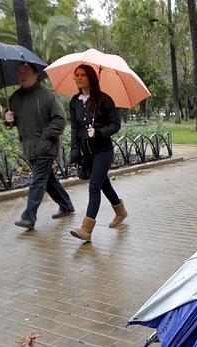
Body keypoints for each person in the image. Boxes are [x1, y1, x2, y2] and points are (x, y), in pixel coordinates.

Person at [4, 63, 75, 230]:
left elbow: (60, 119)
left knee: (37, 182)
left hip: (45, 147)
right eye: (19, 72)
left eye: (26, 72)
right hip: (29, 148)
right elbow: (11, 123)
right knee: (48, 180)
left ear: (36, 75)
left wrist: (44, 136)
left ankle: (28, 216)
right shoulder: (14, 98)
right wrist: (8, 120)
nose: (22, 75)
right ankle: (66, 206)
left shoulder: (47, 95)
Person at [68, 64, 127, 241]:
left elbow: (115, 124)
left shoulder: (104, 100)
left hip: (103, 150)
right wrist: (75, 151)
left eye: (82, 75)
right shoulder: (74, 102)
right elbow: (74, 128)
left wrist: (99, 132)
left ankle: (86, 229)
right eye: (76, 75)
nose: (78, 78)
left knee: (94, 186)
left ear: (91, 78)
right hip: (87, 152)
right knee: (103, 184)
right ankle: (120, 211)